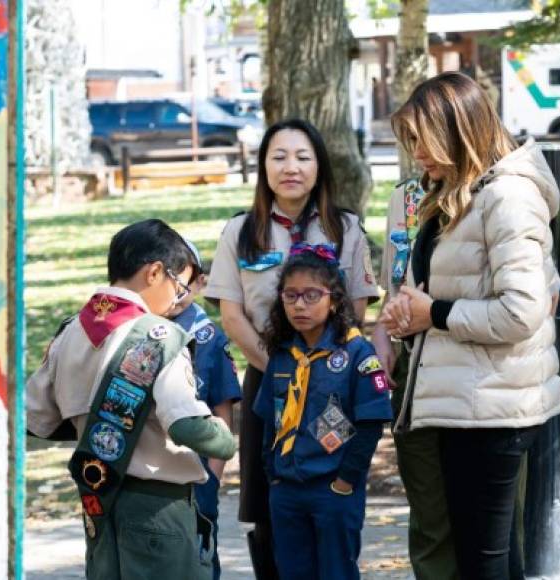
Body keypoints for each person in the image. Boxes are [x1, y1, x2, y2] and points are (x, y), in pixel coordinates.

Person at [378, 72, 560, 579]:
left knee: (484, 562)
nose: (416, 153)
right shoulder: (459, 192)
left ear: (459, 130)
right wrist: (411, 311)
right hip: (468, 401)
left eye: (424, 139)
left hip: (493, 407)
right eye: (410, 141)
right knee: (491, 558)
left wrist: (432, 313)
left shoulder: (506, 196)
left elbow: (522, 311)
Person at [203, 118, 380, 578]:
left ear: (319, 166)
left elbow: (357, 308)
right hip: (269, 382)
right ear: (263, 166)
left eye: (303, 157)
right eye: (278, 157)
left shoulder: (345, 229)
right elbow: (232, 315)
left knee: (331, 503)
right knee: (271, 508)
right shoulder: (241, 231)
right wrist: (283, 367)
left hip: (335, 385)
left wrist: (320, 371)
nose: (291, 167)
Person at [27, 219, 237, 580]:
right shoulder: (159, 336)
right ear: (155, 272)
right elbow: (187, 425)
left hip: (98, 502)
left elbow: (36, 418)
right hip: (158, 508)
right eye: (180, 285)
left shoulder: (69, 331)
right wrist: (224, 438)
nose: (177, 299)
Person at [253, 243, 393, 580]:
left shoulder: (358, 353)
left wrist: (346, 480)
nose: (300, 305)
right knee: (292, 571)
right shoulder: (283, 356)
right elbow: (269, 419)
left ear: (334, 300)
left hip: (332, 488)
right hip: (287, 488)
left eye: (312, 295)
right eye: (291, 296)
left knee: (336, 572)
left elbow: (371, 423)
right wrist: (272, 473)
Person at [372, 175, 459, 580]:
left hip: (473, 366)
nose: (417, 150)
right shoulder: (404, 197)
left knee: (489, 517)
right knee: (428, 511)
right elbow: (396, 280)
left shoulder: (497, 192)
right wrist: (380, 333)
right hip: (413, 362)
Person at [167, 239, 243, 580]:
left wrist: (214, 474)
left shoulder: (207, 336)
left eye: (186, 280)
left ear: (200, 282)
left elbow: (221, 409)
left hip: (198, 474)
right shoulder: (139, 331)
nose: (177, 290)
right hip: (154, 472)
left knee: (200, 557)